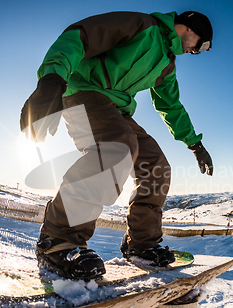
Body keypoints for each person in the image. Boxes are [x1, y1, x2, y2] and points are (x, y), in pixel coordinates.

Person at [20, 10, 214, 280]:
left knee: (156, 164)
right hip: (83, 92)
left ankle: (141, 244)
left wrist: (195, 144)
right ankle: (58, 239)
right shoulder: (141, 26)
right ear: (191, 29)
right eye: (201, 46)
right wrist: (52, 79)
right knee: (118, 146)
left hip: (117, 110)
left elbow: (171, 106)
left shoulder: (167, 65)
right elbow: (81, 36)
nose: (197, 52)